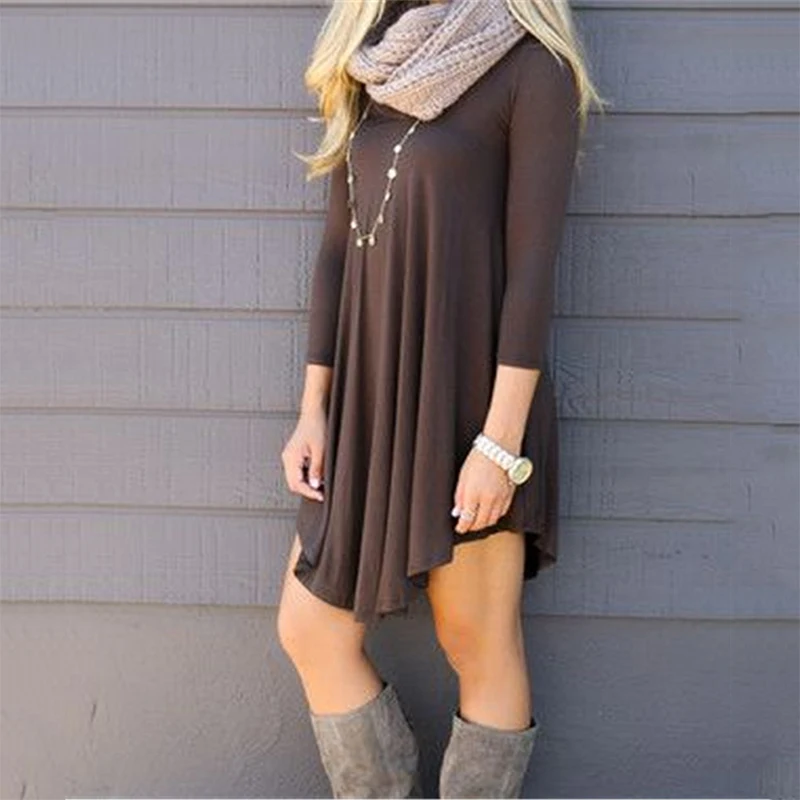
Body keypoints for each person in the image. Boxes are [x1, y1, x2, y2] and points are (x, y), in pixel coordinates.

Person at [277, 0, 606, 796]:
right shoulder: (372, 61)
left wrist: (499, 444)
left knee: (477, 643)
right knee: (310, 629)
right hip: (365, 406)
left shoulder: (532, 67)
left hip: (470, 406)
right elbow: (336, 253)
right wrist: (314, 407)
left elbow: (531, 276)